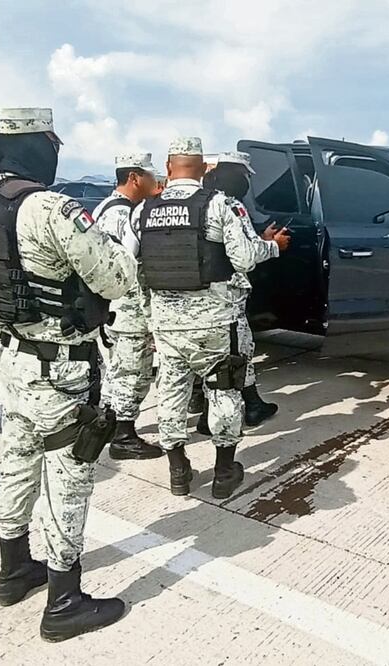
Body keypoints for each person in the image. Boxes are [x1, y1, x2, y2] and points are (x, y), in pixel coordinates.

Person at [0, 108, 136, 642]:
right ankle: (64, 601)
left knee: (17, 465)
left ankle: (13, 571)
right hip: (59, 368)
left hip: (13, 365)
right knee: (69, 479)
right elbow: (117, 278)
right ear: (40, 147)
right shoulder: (51, 207)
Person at [124, 137, 259, 499]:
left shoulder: (143, 210)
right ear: (203, 170)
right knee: (224, 393)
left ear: (168, 168)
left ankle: (178, 470)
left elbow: (129, 266)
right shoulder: (220, 205)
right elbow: (244, 259)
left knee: (170, 392)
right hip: (215, 323)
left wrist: (148, 315)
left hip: (167, 325)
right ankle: (224, 471)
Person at [197, 151, 290, 433]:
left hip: (196, 296)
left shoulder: (200, 203)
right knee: (238, 353)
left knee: (211, 357)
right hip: (226, 298)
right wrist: (274, 246)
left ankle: (250, 404)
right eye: (245, 176)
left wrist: (260, 238)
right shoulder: (231, 206)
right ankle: (217, 416)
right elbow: (245, 258)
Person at [93, 153, 162, 460]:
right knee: (134, 373)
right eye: (151, 176)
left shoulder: (105, 208)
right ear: (135, 177)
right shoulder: (125, 215)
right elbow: (129, 260)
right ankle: (124, 435)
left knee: (117, 370)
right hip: (129, 309)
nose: (155, 182)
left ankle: (107, 424)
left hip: (111, 307)